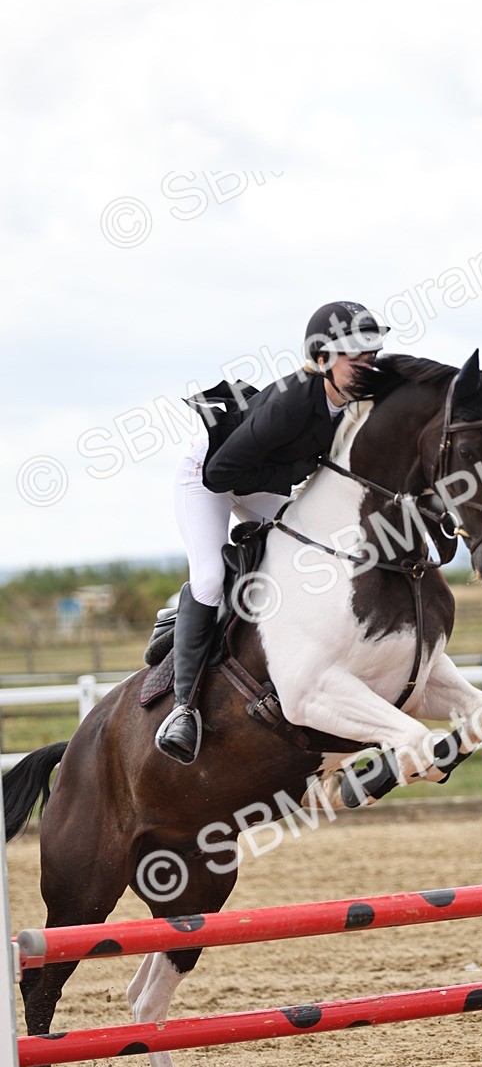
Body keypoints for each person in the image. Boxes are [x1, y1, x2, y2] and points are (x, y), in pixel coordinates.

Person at [155, 301, 390, 765]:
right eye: (354, 358)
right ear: (322, 359)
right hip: (206, 475)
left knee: (313, 551)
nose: (366, 367)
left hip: (256, 479)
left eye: (371, 357)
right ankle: (182, 708)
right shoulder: (290, 404)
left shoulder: (355, 403)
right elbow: (221, 475)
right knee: (205, 578)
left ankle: (190, 627)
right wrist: (302, 468)